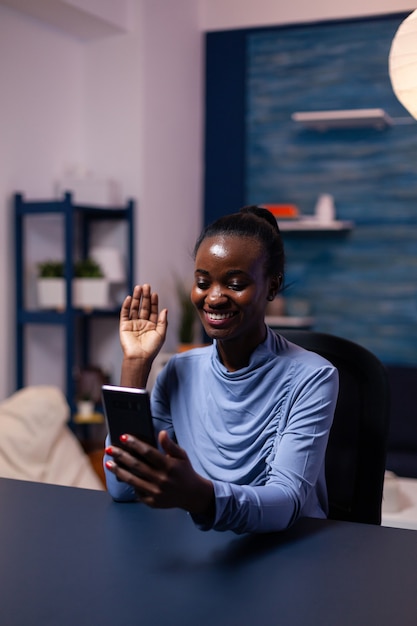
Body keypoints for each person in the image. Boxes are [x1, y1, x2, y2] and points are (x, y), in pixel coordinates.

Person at [104, 206, 339, 534]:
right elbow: (123, 488)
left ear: (272, 287)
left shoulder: (313, 377)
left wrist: (200, 496)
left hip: (289, 553)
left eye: (235, 283)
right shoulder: (178, 371)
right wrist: (135, 364)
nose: (213, 298)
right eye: (203, 282)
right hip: (206, 551)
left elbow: (286, 501)